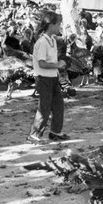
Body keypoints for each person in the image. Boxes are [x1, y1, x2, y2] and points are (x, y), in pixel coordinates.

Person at [27, 11, 69, 143]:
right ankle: (33, 135)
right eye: (58, 24)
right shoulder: (42, 42)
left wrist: (58, 68)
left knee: (58, 106)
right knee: (44, 108)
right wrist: (58, 65)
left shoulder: (52, 41)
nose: (59, 27)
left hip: (53, 78)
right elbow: (41, 63)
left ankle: (55, 132)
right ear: (51, 24)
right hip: (43, 78)